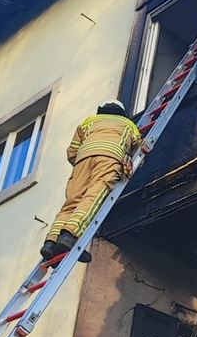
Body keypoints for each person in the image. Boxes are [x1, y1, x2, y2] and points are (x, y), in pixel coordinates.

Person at [40, 99, 141, 263]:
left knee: (71, 202)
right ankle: (70, 237)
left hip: (82, 161)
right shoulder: (129, 125)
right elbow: (137, 149)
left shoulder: (88, 122)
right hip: (109, 158)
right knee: (93, 197)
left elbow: (72, 151)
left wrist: (82, 161)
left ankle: (51, 242)